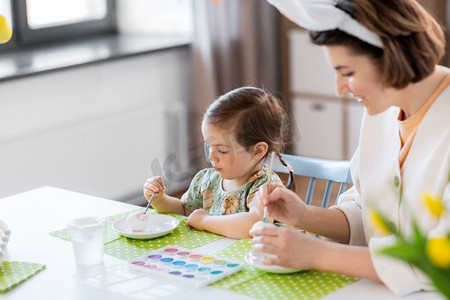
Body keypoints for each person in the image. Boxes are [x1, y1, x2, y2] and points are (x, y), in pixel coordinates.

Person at [250, 0, 450, 296]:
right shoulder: (381, 111)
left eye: (347, 72)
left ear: (390, 58)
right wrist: (304, 216)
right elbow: (366, 208)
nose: (340, 88)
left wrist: (317, 253)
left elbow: (440, 259)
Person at [143, 86, 295, 239]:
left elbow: (254, 225)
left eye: (222, 150)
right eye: (209, 146)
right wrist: (160, 200)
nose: (211, 157)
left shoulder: (267, 188)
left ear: (257, 151)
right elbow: (185, 211)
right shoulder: (205, 180)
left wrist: (205, 221)